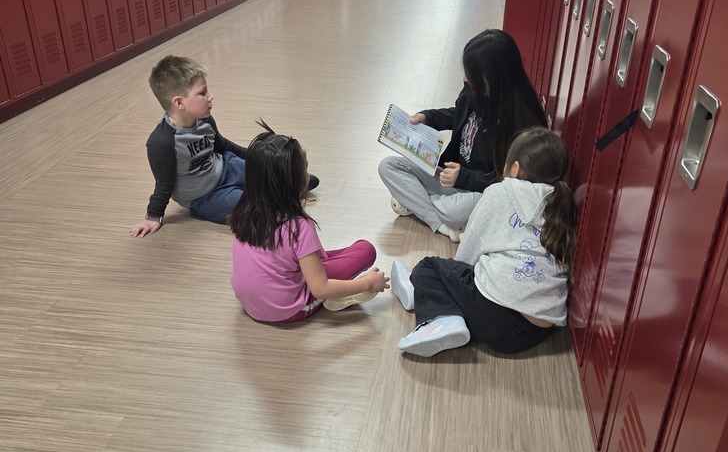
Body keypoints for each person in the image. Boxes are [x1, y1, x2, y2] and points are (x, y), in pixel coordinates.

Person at [390, 127, 576, 357]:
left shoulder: (500, 191)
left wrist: (452, 278)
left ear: (515, 168)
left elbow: (471, 246)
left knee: (428, 268)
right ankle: (421, 292)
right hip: (537, 331)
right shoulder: (561, 200)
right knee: (473, 284)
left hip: (496, 320)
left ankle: (437, 315)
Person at [378, 29, 547, 241]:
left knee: (455, 211)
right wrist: (429, 117)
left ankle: (419, 201)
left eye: (472, 73)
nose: (465, 77)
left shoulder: (523, 122)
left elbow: (514, 182)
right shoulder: (474, 89)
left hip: (480, 191)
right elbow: (458, 113)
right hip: (450, 177)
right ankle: (442, 225)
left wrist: (465, 177)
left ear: (493, 76)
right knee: (389, 166)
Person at [130, 55, 318, 237]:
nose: (210, 97)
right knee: (255, 207)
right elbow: (164, 184)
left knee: (285, 176)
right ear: (179, 102)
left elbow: (222, 145)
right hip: (204, 197)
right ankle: (279, 194)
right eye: (202, 93)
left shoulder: (204, 120)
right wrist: (153, 216)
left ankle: (289, 185)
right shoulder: (161, 142)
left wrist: (257, 160)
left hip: (226, 168)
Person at [230, 123, 389, 322]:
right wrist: (368, 284)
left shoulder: (242, 210)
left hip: (251, 304)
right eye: (305, 168)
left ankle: (316, 271)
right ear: (294, 183)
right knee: (366, 250)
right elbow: (320, 288)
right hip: (289, 309)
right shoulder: (299, 227)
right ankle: (335, 298)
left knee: (314, 255)